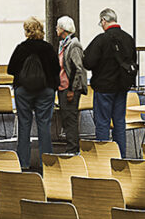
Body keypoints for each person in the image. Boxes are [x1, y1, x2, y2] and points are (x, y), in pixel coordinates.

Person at [7, 17, 60, 170]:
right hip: (45, 90)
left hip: (23, 90)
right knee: (44, 125)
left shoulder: (21, 48)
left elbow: (11, 69)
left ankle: (23, 163)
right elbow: (56, 69)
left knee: (24, 125)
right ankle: (46, 163)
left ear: (26, 31)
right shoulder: (48, 48)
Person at [85, 9, 138, 150]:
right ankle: (120, 156)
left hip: (104, 88)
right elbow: (133, 61)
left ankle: (104, 156)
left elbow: (88, 62)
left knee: (102, 123)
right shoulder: (128, 38)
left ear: (104, 20)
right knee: (119, 122)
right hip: (122, 87)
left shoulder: (101, 40)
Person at [51, 17, 86, 154]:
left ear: (63, 29)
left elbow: (78, 68)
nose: (56, 29)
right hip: (62, 87)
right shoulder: (63, 44)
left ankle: (73, 150)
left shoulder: (74, 45)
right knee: (66, 119)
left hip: (69, 88)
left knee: (70, 119)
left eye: (57, 27)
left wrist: (72, 89)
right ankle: (71, 148)